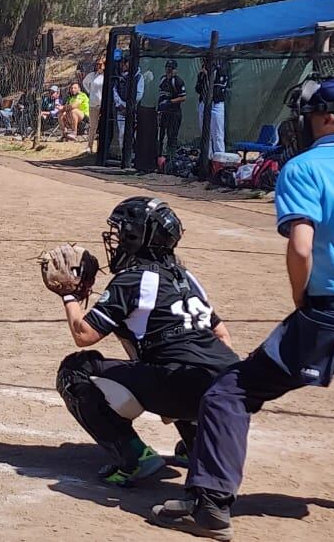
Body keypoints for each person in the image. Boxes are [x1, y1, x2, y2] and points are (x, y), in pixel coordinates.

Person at [149, 78, 334, 540]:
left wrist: (302, 298)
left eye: (313, 112)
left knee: (230, 393)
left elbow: (301, 248)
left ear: (329, 118)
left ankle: (211, 500)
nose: (305, 120)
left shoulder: (305, 168)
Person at [54, 197, 240, 487]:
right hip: (230, 384)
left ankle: (133, 457)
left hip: (184, 385)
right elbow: (222, 335)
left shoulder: (133, 280)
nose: (115, 240)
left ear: (137, 237)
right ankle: (197, 449)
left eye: (122, 232)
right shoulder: (185, 276)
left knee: (74, 370)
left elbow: (84, 334)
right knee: (179, 362)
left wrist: (70, 295)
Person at [196, 58, 228, 155]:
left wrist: (209, 77)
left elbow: (217, 91)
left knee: (217, 134)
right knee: (205, 134)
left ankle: (219, 157)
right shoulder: (202, 74)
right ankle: (207, 157)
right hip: (203, 103)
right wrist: (204, 76)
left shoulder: (220, 72)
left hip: (216, 105)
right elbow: (197, 89)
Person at [113, 56, 145, 153]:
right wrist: (120, 104)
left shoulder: (139, 77)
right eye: (121, 63)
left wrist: (128, 105)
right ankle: (123, 154)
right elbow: (115, 91)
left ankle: (134, 154)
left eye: (124, 63)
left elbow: (139, 94)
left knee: (133, 133)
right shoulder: (119, 77)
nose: (122, 65)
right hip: (121, 110)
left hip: (133, 110)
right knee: (122, 133)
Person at [157, 60, 187, 153]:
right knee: (160, 135)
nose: (169, 70)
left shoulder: (178, 81)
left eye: (171, 68)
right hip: (163, 112)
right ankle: (159, 155)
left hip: (174, 112)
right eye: (168, 68)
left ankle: (171, 158)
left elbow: (183, 97)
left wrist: (170, 102)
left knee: (172, 136)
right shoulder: (163, 79)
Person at [83, 56, 106, 154]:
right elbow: (84, 83)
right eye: (97, 64)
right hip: (93, 104)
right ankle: (89, 146)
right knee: (93, 126)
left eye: (100, 64)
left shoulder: (106, 76)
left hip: (103, 104)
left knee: (103, 126)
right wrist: (90, 93)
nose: (98, 66)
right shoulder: (92, 75)